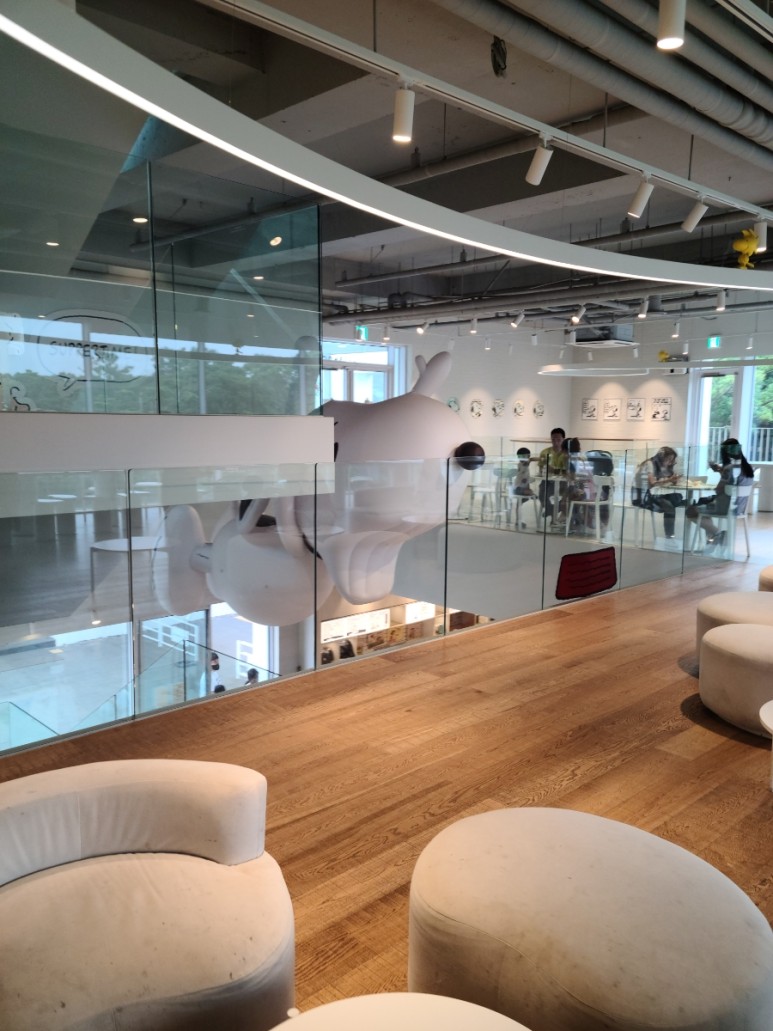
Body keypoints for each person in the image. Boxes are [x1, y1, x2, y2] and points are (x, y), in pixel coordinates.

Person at [686, 438, 755, 550]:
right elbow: (732, 483)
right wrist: (721, 471)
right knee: (704, 507)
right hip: (739, 507)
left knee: (690, 510)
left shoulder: (729, 468)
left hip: (724, 507)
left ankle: (718, 534)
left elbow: (719, 489)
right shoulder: (748, 467)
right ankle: (713, 539)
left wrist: (722, 472)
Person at [634, 447, 684, 539]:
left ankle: (669, 535)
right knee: (670, 505)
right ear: (662, 457)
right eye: (669, 459)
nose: (670, 462)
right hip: (641, 497)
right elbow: (652, 483)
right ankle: (669, 536)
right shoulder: (650, 464)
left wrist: (672, 480)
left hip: (648, 494)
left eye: (671, 460)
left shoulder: (657, 466)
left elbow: (659, 481)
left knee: (675, 497)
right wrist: (669, 480)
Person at [537, 427, 568, 524]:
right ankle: (551, 511)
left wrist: (555, 470)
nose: (555, 442)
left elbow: (567, 472)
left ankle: (552, 513)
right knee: (542, 494)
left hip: (562, 482)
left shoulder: (566, 454)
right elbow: (541, 469)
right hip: (547, 480)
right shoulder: (545, 452)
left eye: (558, 439)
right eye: (553, 439)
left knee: (554, 494)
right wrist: (545, 470)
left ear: (563, 439)